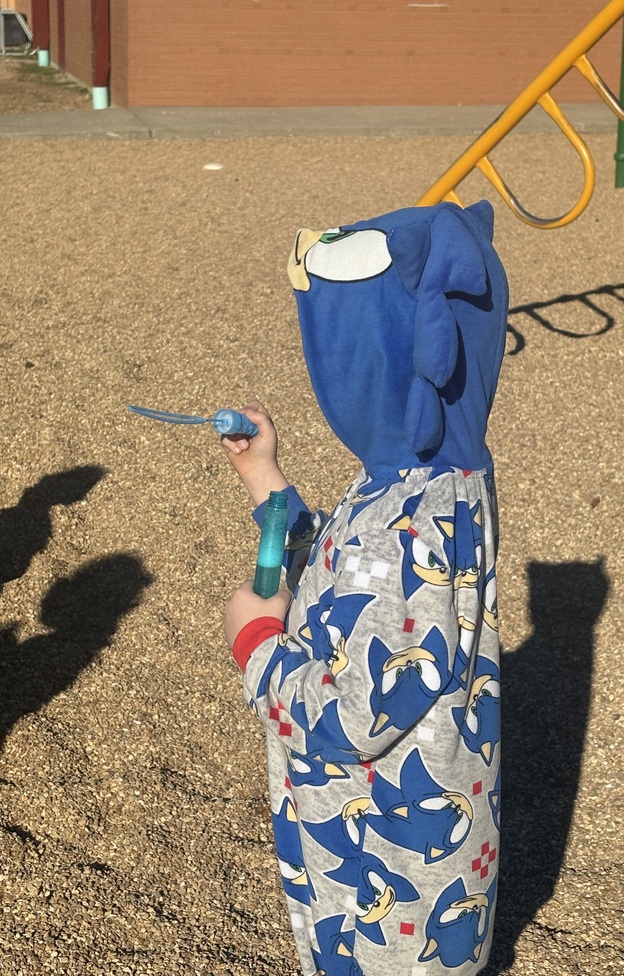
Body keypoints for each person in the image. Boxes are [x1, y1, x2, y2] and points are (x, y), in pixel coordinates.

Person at [222, 200, 508, 976]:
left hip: (388, 880)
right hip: (394, 849)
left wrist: (257, 645)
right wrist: (265, 480)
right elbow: (358, 574)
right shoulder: (430, 482)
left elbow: (356, 716)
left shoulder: (412, 521)